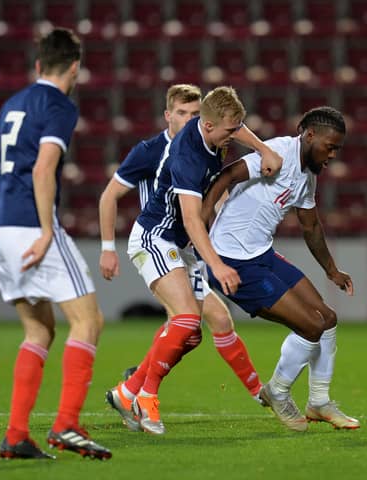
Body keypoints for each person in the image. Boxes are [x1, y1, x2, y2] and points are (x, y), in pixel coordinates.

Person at [109, 85, 282, 435]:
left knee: (193, 333)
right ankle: (146, 396)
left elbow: (235, 125)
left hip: (181, 246)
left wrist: (263, 148)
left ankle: (126, 392)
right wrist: (217, 264)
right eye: (230, 131)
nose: (234, 137)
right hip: (155, 237)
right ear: (207, 126)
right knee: (187, 319)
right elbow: (191, 219)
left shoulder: (212, 130)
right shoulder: (187, 158)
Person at [0, 27, 111, 459]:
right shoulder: (59, 106)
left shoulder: (13, 103)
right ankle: (67, 424)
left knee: (39, 328)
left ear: (37, 66)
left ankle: (16, 435)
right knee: (88, 322)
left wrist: (9, 203)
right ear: (75, 66)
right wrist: (47, 229)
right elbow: (43, 169)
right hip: (33, 229)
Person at [203, 106, 360, 432]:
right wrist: (199, 224)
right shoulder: (278, 153)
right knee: (311, 328)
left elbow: (311, 225)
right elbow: (228, 175)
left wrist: (332, 270)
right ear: (309, 135)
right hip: (232, 260)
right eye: (329, 147)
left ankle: (318, 401)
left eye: (337, 149)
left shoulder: (308, 174)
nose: (332, 154)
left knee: (327, 320)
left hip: (262, 254)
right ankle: (276, 390)